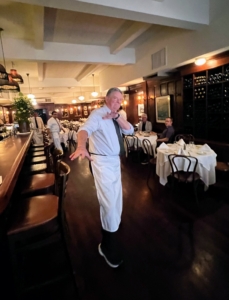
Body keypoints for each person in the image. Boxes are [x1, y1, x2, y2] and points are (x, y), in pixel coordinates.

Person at [70, 87, 134, 268]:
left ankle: (111, 232)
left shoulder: (118, 114)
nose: (117, 103)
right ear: (106, 99)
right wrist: (81, 145)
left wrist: (117, 117)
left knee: (117, 200)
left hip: (114, 163)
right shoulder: (97, 114)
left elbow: (129, 131)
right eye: (114, 99)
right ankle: (108, 247)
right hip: (102, 163)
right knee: (109, 203)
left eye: (120, 100)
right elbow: (84, 130)